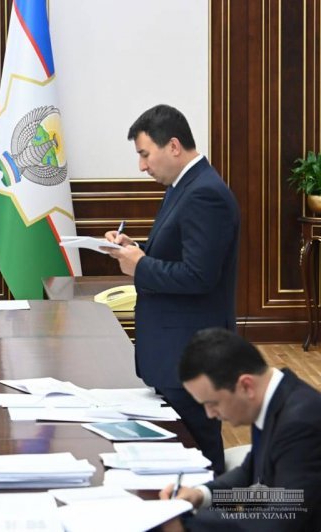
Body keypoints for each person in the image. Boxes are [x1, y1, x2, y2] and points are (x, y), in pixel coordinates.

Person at [104, 104, 240, 474]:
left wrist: (141, 265)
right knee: (180, 453)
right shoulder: (185, 187)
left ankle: (212, 507)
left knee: (200, 456)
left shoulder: (204, 193)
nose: (142, 166)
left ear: (174, 146)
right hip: (175, 353)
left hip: (190, 355)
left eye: (145, 154)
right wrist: (136, 250)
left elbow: (199, 276)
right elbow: (179, 254)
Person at [160, 328, 321, 531]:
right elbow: (251, 471)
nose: (210, 414)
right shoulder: (270, 398)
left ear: (246, 386)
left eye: (212, 403)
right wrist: (200, 494)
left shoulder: (300, 423)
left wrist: (188, 525)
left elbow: (284, 517)